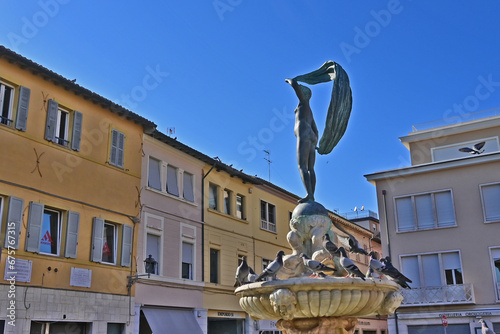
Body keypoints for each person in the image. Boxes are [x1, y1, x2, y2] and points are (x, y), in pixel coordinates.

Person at [285, 78, 318, 203]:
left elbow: (294, 84)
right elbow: (316, 130)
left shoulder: (303, 102)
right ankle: (311, 195)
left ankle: (309, 194)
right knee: (311, 168)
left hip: (303, 134)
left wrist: (288, 80)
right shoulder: (310, 111)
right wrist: (316, 142)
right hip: (311, 137)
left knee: (301, 166)